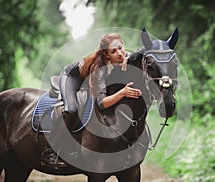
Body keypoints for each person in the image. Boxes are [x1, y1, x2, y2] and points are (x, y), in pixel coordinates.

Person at [41, 33, 142, 168]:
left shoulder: (126, 56)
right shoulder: (99, 70)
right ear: (106, 55)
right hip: (73, 77)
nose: (119, 53)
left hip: (90, 81)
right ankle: (49, 151)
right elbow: (101, 103)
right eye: (113, 51)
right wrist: (122, 92)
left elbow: (143, 53)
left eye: (120, 48)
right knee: (71, 109)